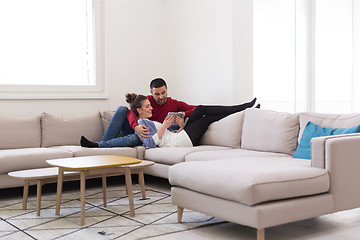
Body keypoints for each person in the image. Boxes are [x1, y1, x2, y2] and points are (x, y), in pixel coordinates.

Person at [80, 78, 197, 148]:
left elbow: (196, 109)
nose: (161, 97)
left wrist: (183, 114)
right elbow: (132, 112)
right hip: (138, 129)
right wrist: (135, 127)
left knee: (136, 138)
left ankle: (99, 146)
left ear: (166, 89)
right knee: (122, 109)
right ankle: (103, 144)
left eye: (163, 92)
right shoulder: (147, 100)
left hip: (148, 134)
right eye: (157, 94)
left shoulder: (174, 103)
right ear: (151, 92)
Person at [126, 93, 257, 148]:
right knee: (207, 119)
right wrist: (164, 126)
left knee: (200, 110)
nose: (151, 108)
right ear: (139, 110)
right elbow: (149, 144)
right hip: (179, 143)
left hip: (178, 137)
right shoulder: (141, 123)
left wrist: (181, 127)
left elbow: (166, 136)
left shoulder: (147, 121)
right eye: (147, 106)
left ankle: (241, 108)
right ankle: (242, 109)